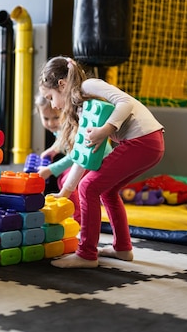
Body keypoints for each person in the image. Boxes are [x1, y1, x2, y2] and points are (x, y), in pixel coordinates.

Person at [39, 55, 164, 268]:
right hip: (149, 143)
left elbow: (126, 102)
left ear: (62, 85)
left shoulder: (89, 85)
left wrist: (106, 130)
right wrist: (66, 191)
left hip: (143, 140)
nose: (52, 104)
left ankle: (86, 254)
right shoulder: (82, 107)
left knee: (88, 187)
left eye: (50, 97)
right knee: (106, 191)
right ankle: (122, 248)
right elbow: (83, 153)